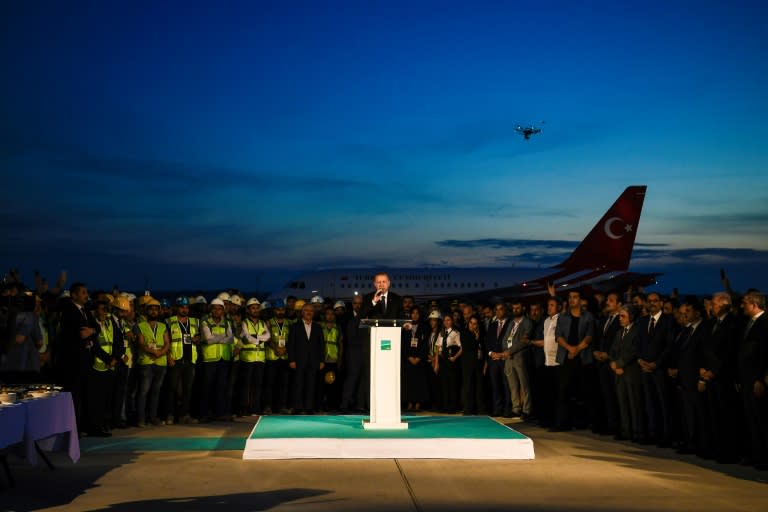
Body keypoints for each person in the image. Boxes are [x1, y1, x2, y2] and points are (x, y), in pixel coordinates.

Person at [553, 290, 596, 431]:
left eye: (575, 297)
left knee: (583, 391)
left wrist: (576, 350)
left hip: (582, 358)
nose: (572, 300)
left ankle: (583, 422)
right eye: (570, 297)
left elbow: (589, 337)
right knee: (563, 391)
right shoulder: (563, 317)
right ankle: (562, 423)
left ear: (580, 300)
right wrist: (569, 349)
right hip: (566, 358)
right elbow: (558, 335)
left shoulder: (588, 316)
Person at [736, 292, 768, 469]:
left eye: (745, 303)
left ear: (754, 305)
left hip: (756, 379)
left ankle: (763, 457)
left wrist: (759, 379)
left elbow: (764, 354)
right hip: (746, 378)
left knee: (760, 419)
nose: (742, 306)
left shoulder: (765, 323)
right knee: (751, 419)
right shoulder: (749, 323)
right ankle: (756, 454)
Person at [609, 305, 645, 442]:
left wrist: (620, 364)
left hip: (631, 372)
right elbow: (612, 350)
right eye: (619, 316)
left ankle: (638, 433)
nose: (620, 318)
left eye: (623, 316)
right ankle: (626, 431)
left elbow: (634, 351)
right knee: (622, 403)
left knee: (634, 403)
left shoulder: (637, 331)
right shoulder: (619, 332)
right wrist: (613, 363)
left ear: (631, 316)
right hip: (619, 373)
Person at [165, 296, 201, 424]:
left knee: (187, 389)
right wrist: (169, 357)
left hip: (190, 359)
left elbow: (199, 336)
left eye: (186, 307)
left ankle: (184, 415)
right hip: (176, 359)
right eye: (182, 307)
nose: (184, 309)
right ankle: (170, 415)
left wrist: (198, 339)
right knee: (172, 388)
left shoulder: (195, 322)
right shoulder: (169, 321)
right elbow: (166, 341)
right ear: (176, 308)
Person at [136, 298, 170, 427]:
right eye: (151, 309)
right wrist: (153, 352)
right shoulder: (140, 326)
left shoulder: (163, 326)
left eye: (156, 309)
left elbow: (167, 342)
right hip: (147, 362)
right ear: (146, 310)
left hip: (161, 362)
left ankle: (153, 417)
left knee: (156, 392)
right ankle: (141, 419)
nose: (154, 311)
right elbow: (141, 343)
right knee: (144, 392)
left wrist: (161, 352)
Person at [287, 303, 325, 414]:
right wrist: (291, 360)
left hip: (313, 361)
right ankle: (298, 408)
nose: (309, 313)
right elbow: (291, 344)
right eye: (306, 310)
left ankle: (309, 408)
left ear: (314, 313)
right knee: (298, 384)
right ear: (302, 312)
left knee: (311, 385)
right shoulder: (295, 326)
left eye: (311, 311)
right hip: (299, 361)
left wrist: (322, 360)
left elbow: (321, 345)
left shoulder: (318, 327)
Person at [237, 298, 270, 416]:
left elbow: (268, 336)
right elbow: (246, 336)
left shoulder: (262, 323)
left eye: (257, 308)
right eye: (253, 308)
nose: (256, 310)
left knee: (257, 385)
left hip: (260, 359)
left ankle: (255, 409)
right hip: (247, 358)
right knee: (245, 386)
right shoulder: (244, 322)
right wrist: (259, 338)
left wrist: (254, 337)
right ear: (248, 310)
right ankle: (244, 409)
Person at [503, 301, 533, 420]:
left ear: (523, 308)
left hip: (520, 357)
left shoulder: (527, 322)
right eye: (514, 308)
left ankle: (527, 409)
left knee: (524, 384)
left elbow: (523, 341)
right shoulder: (511, 322)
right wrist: (506, 350)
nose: (515, 310)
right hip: (509, 358)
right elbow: (505, 338)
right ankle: (516, 408)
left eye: (518, 308)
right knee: (513, 385)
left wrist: (510, 351)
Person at [434, 315, 462, 413]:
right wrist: (436, 364)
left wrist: (455, 357)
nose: (446, 322)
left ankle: (452, 406)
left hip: (451, 361)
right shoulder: (441, 333)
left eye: (448, 320)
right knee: (444, 384)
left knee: (452, 384)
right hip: (442, 360)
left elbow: (461, 347)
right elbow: (437, 348)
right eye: (444, 320)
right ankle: (445, 405)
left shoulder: (455, 333)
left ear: (452, 321)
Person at [402, 306, 428, 411]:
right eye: (413, 313)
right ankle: (409, 403)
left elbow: (425, 345)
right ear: (410, 315)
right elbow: (403, 344)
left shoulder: (424, 327)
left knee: (419, 382)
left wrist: (419, 357)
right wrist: (408, 357)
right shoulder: (406, 327)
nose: (415, 315)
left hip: (419, 360)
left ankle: (417, 403)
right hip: (408, 360)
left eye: (417, 313)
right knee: (409, 382)